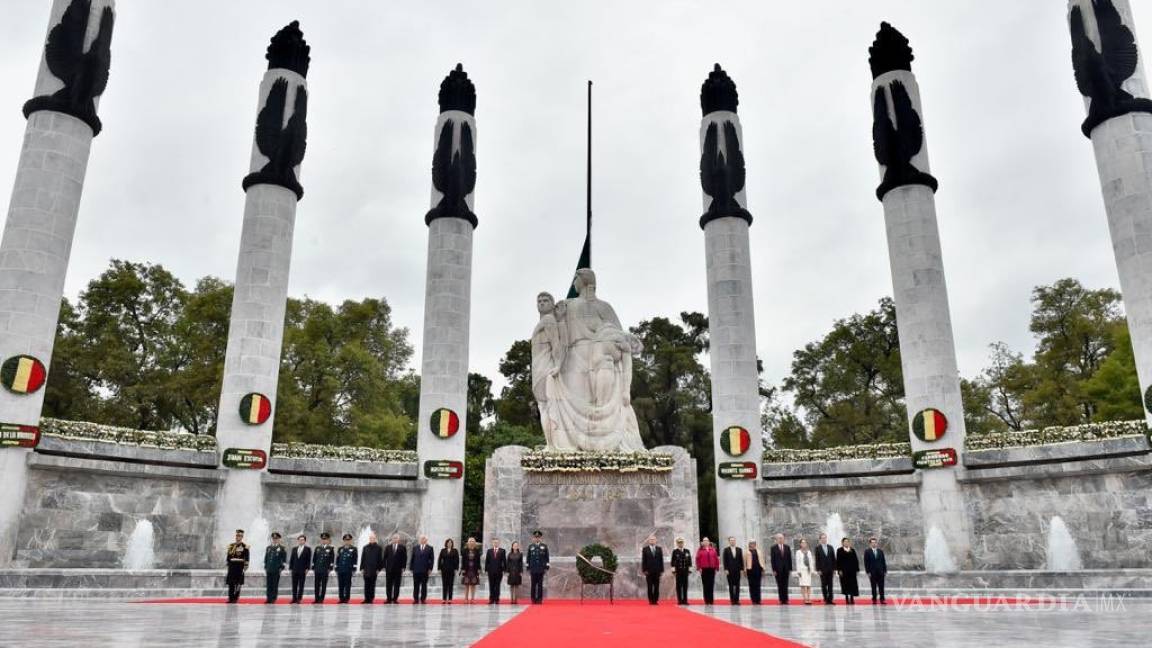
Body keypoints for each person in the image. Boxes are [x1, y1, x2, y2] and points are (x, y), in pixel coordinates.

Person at [225, 529, 250, 603]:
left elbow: (247, 557)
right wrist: (228, 563)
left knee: (238, 584)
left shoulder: (245, 546)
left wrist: (246, 566)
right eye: (237, 536)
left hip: (239, 567)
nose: (238, 537)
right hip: (232, 566)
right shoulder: (231, 546)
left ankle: (235, 598)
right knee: (231, 583)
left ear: (242, 537)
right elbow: (228, 556)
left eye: (239, 536)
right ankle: (230, 598)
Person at [382, 533, 407, 604]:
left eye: (396, 538)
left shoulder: (402, 547)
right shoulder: (388, 547)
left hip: (398, 569)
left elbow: (404, 558)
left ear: (398, 539)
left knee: (397, 584)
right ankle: (389, 599)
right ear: (392, 539)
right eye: (394, 538)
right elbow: (384, 558)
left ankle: (395, 599)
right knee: (388, 584)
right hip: (389, 569)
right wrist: (384, 567)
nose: (395, 539)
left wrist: (403, 567)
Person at [526, 530, 550, 604]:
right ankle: (533, 599)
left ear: (540, 538)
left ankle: (539, 599)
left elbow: (547, 557)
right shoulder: (531, 547)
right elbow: (528, 558)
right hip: (533, 569)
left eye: (538, 537)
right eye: (536, 537)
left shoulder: (544, 546)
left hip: (541, 569)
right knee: (533, 585)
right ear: (533, 538)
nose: (537, 539)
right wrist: (528, 567)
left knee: (540, 585)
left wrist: (546, 567)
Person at [410, 534, 435, 604]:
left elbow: (432, 559)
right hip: (416, 570)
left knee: (424, 585)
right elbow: (412, 558)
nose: (422, 540)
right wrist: (411, 568)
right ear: (419, 540)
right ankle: (415, 599)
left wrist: (430, 568)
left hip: (425, 570)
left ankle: (423, 599)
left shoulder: (430, 548)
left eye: (424, 538)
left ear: (426, 540)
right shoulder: (415, 548)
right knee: (416, 585)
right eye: (421, 539)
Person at [263, 532, 287, 604]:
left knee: (274, 584)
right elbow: (266, 558)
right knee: (269, 584)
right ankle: (268, 598)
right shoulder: (269, 548)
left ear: (279, 539)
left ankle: (273, 598)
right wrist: (266, 566)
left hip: (276, 569)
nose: (274, 540)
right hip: (269, 568)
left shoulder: (282, 548)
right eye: (273, 539)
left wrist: (281, 568)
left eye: (276, 539)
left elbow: (284, 560)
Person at [312, 532, 335, 604]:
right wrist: (313, 567)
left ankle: (321, 599)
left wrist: (330, 568)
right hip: (317, 569)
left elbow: (332, 559)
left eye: (325, 539)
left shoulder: (330, 548)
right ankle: (316, 599)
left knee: (324, 585)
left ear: (328, 540)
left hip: (325, 569)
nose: (324, 540)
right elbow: (314, 558)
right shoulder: (317, 548)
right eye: (322, 539)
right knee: (316, 584)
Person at [360, 532, 383, 604]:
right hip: (366, 569)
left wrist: (379, 569)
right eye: (370, 538)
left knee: (372, 585)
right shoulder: (365, 547)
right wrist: (362, 568)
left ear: (375, 539)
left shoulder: (379, 548)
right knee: (366, 585)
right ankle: (366, 599)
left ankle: (371, 598)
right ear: (369, 539)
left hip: (374, 569)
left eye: (373, 538)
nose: (372, 539)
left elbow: (380, 559)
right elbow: (363, 558)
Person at [768, 534, 792, 605]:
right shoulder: (773, 548)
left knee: (785, 584)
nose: (781, 539)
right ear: (776, 539)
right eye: (779, 538)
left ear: (784, 539)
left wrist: (790, 568)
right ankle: (781, 600)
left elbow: (789, 558)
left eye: (782, 538)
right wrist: (774, 570)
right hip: (778, 570)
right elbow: (772, 560)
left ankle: (786, 599)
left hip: (786, 569)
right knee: (780, 585)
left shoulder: (787, 547)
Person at [641, 535, 665, 605]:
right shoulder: (645, 549)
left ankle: (655, 600)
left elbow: (661, 560)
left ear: (656, 541)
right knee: (650, 586)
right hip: (648, 571)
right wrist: (644, 570)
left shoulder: (659, 549)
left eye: (653, 539)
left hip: (657, 571)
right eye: (651, 539)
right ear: (648, 541)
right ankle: (651, 600)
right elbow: (644, 560)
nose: (652, 541)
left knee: (657, 586)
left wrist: (661, 570)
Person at [335, 533, 358, 604]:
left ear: (350, 541)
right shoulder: (340, 549)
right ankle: (341, 598)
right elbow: (338, 559)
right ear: (343, 541)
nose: (347, 541)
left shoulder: (354, 549)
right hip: (340, 569)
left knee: (347, 585)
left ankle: (347, 598)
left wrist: (354, 569)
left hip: (348, 569)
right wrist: (336, 567)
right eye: (345, 540)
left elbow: (355, 559)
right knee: (341, 584)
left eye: (348, 540)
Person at [288, 534, 311, 604]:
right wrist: (290, 568)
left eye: (302, 540)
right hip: (295, 569)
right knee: (294, 585)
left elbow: (308, 559)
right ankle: (294, 598)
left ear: (305, 541)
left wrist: (307, 568)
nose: (301, 541)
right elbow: (292, 559)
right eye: (300, 540)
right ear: (298, 541)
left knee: (301, 585)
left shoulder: (307, 549)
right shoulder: (294, 549)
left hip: (302, 569)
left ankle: (299, 598)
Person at [836, 537, 860, 605]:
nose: (846, 543)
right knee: (845, 584)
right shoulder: (839, 550)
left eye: (847, 541)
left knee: (852, 584)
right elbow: (838, 561)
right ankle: (846, 598)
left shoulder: (852, 550)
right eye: (845, 542)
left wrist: (857, 569)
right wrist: (839, 570)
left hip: (852, 571)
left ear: (849, 543)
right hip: (843, 571)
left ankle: (852, 598)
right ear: (842, 543)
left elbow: (856, 560)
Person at [695, 537, 719, 605]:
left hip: (712, 569)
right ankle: (706, 600)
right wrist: (699, 568)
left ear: (709, 542)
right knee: (705, 585)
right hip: (704, 569)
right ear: (702, 542)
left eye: (707, 541)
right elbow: (697, 559)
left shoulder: (713, 550)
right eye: (704, 541)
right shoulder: (700, 550)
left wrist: (716, 567)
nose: (705, 542)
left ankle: (711, 600)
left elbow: (716, 559)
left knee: (711, 585)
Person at [865, 537, 888, 605]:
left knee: (881, 586)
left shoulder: (880, 551)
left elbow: (883, 561)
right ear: (870, 544)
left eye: (875, 542)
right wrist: (868, 572)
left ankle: (882, 599)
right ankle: (874, 599)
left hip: (880, 572)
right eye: (872, 542)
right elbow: (866, 562)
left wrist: (885, 570)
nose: (874, 544)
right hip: (872, 572)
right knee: (873, 586)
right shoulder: (867, 551)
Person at [484, 537, 507, 604]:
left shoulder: (502, 551)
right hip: (491, 571)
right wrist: (486, 569)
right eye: (494, 542)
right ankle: (491, 599)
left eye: (496, 542)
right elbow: (487, 561)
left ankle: (497, 599)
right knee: (491, 585)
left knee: (497, 585)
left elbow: (504, 561)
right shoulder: (489, 551)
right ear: (492, 543)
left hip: (499, 571)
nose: (495, 543)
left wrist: (505, 569)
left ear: (498, 543)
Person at [670, 537, 692, 605]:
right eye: (679, 543)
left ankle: (685, 600)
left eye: (681, 542)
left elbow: (689, 561)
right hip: (678, 571)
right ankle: (679, 600)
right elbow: (672, 562)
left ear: (683, 543)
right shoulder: (675, 551)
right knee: (679, 586)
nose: (680, 544)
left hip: (685, 571)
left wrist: (689, 570)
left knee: (685, 586)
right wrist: (673, 571)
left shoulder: (687, 551)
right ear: (677, 543)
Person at [722, 537, 743, 605]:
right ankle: (732, 600)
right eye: (731, 540)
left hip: (737, 570)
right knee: (731, 585)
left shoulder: (739, 549)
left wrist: (742, 569)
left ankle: (737, 600)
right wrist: (726, 569)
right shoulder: (726, 550)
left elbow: (741, 560)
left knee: (737, 585)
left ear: (735, 541)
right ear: (729, 542)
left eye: (733, 540)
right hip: (729, 570)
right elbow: (724, 560)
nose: (732, 542)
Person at [438, 538, 460, 604]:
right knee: (444, 584)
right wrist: (439, 569)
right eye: (448, 543)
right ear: (446, 543)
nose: (449, 544)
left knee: (450, 584)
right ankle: (444, 599)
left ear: (452, 544)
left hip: (452, 569)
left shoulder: (455, 550)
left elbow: (457, 560)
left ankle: (450, 599)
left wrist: (456, 568)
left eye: (450, 543)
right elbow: (440, 560)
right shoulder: (443, 550)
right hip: (444, 569)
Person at [795, 539, 816, 605]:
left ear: (806, 544)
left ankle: (809, 598)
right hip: (802, 570)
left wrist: (812, 570)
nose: (804, 544)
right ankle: (805, 599)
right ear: (800, 544)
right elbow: (797, 562)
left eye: (805, 543)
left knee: (808, 585)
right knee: (803, 585)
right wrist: (798, 571)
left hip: (808, 570)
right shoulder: (798, 552)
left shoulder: (809, 552)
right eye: (802, 543)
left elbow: (811, 562)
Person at [461, 537, 482, 603]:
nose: (471, 542)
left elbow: (479, 561)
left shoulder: (477, 550)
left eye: (473, 541)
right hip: (467, 569)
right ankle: (466, 599)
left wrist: (479, 569)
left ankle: (472, 599)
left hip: (474, 569)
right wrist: (462, 569)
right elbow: (463, 561)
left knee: (473, 584)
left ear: (474, 543)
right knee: (466, 584)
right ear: (468, 542)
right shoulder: (465, 550)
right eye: (470, 541)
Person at [747, 539, 768, 605]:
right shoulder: (746, 551)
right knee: (752, 585)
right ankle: (753, 600)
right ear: (749, 544)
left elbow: (762, 560)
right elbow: (744, 561)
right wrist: (744, 570)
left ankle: (758, 600)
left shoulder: (759, 551)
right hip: (750, 570)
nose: (752, 544)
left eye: (754, 543)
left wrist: (763, 569)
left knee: (758, 585)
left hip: (758, 569)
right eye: (751, 543)